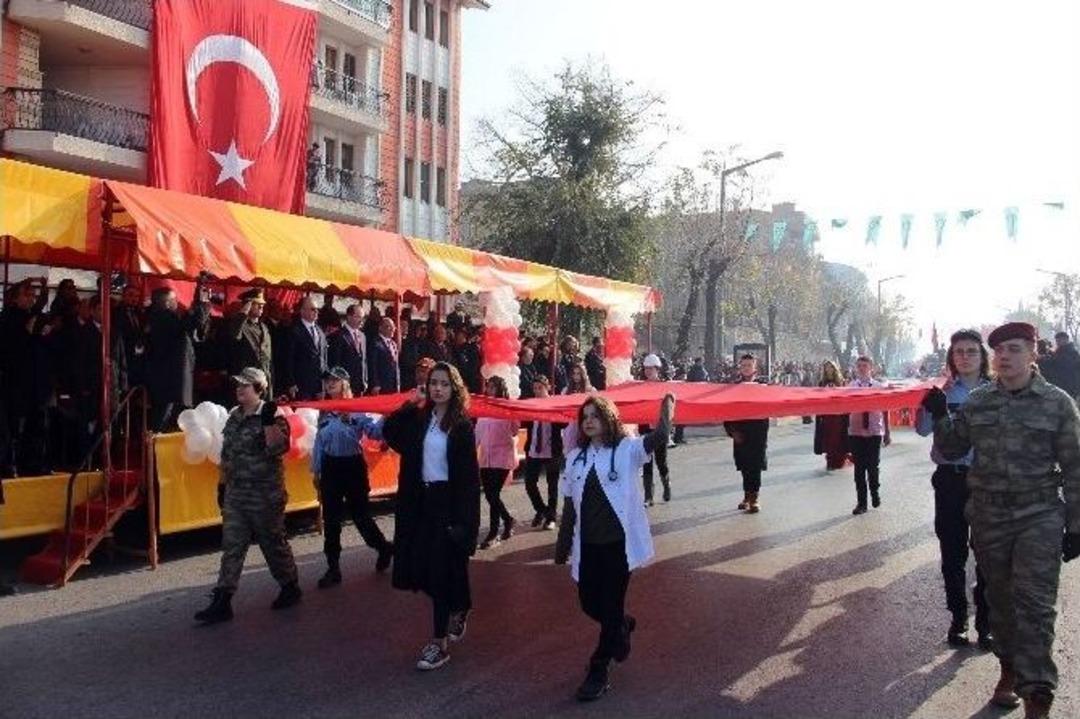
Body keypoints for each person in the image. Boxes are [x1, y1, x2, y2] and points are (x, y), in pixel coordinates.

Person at [922, 322, 1080, 718]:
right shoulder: (978, 401)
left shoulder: (1058, 403)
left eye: (1014, 349)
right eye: (1000, 350)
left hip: (1038, 513)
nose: (1005, 356)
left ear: (1032, 353)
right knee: (1001, 603)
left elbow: (1075, 466)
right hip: (989, 515)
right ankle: (1008, 670)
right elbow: (952, 445)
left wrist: (1077, 524)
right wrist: (940, 415)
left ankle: (1038, 697)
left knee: (1036, 606)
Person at [554, 393, 675, 702]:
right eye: (585, 417)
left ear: (608, 418)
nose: (589, 421)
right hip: (588, 546)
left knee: (609, 605)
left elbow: (659, 436)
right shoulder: (575, 458)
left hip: (618, 547)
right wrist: (562, 545)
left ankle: (599, 668)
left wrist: (667, 407)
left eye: (595, 415)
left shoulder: (626, 450)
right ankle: (621, 624)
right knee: (588, 603)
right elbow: (569, 505)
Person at [381, 362, 481, 671]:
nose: (437, 388)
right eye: (432, 383)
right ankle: (459, 606)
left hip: (447, 503)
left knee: (441, 573)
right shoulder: (419, 419)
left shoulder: (461, 426)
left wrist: (465, 523)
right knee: (419, 568)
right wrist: (408, 404)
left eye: (443, 384)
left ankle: (439, 643)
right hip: (418, 502)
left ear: (455, 389)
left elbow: (468, 479)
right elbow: (390, 433)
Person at [194, 368, 300, 624]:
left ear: (259, 389)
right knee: (232, 545)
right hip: (237, 493)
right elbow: (227, 455)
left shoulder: (272, 414)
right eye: (238, 385)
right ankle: (223, 599)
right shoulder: (234, 417)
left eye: (246, 386)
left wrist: (267, 423)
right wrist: (222, 485)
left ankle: (289, 585)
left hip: (265, 493)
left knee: (272, 542)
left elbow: (278, 448)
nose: (240, 389)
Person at [915, 329, 991, 649]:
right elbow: (921, 430)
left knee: (988, 555)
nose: (965, 356)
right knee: (953, 553)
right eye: (959, 351)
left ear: (982, 356)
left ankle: (986, 622)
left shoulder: (997, 391)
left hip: (989, 482)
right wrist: (933, 408)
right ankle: (958, 617)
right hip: (950, 480)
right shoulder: (941, 392)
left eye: (971, 351)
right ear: (951, 357)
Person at [311, 367, 393, 587]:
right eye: (327, 381)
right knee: (332, 520)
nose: (329, 384)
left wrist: (385, 417)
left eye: (334, 380)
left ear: (345, 383)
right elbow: (319, 442)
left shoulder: (357, 409)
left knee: (361, 516)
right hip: (331, 467)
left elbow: (374, 434)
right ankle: (333, 567)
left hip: (352, 466)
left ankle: (383, 548)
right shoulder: (324, 411)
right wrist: (316, 470)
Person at [143, 284, 211, 432]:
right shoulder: (163, 317)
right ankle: (154, 449)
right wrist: (201, 304)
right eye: (175, 300)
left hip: (166, 380)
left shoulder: (155, 316)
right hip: (167, 381)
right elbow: (191, 324)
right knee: (162, 419)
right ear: (167, 303)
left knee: (166, 417)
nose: (177, 303)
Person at [474, 376, 519, 549]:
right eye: (489, 386)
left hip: (502, 457)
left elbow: (515, 430)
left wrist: (510, 415)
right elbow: (478, 432)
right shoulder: (484, 408)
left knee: (493, 494)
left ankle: (493, 532)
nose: (490, 389)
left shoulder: (506, 407)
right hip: (486, 458)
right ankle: (508, 520)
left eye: (493, 387)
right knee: (490, 494)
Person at [724, 354, 769, 513]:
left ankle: (754, 498)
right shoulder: (733, 387)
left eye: (749, 365)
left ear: (754, 368)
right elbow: (726, 411)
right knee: (744, 465)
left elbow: (769, 408)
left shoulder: (763, 386)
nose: (746, 368)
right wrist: (732, 431)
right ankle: (746, 495)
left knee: (755, 466)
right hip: (740, 433)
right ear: (740, 367)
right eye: (743, 365)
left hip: (758, 433)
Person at [847, 355, 891, 515]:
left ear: (871, 368)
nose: (862, 368)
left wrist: (887, 432)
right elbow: (844, 409)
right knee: (859, 469)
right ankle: (861, 503)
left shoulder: (879, 387)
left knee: (873, 467)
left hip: (874, 431)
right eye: (859, 366)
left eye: (865, 366)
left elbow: (886, 410)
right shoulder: (850, 387)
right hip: (856, 432)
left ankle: (875, 490)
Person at [524, 375, 563, 530]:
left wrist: (554, 414)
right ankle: (542, 510)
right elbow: (525, 422)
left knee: (552, 485)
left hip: (551, 450)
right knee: (529, 483)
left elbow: (564, 424)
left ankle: (551, 518)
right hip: (534, 449)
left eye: (540, 388)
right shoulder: (531, 404)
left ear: (547, 387)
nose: (537, 391)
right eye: (535, 388)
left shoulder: (554, 403)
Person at [227, 289, 274, 398]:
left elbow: (269, 361)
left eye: (262, 304)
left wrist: (271, 384)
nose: (261, 307)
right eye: (257, 304)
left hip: (264, 383)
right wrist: (243, 313)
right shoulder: (240, 325)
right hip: (247, 383)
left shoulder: (264, 328)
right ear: (248, 305)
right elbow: (233, 335)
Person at [639, 354, 671, 505]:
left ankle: (666, 484)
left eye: (651, 369)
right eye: (646, 369)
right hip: (645, 428)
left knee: (661, 461)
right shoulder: (639, 387)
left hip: (660, 429)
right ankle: (648, 495)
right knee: (646, 461)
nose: (648, 371)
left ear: (657, 369)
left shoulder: (665, 387)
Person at [283, 296, 328, 401]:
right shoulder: (293, 331)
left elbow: (323, 357)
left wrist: (325, 382)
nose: (316, 312)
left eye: (317, 309)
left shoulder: (320, 331)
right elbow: (288, 359)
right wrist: (291, 383)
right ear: (302, 310)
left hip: (319, 385)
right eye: (313, 309)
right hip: (301, 385)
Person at [813, 360, 850, 470]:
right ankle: (830, 459)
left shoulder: (841, 382)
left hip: (839, 415)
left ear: (835, 369)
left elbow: (845, 397)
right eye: (826, 368)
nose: (829, 370)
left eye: (831, 367)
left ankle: (840, 459)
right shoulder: (821, 383)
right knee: (828, 437)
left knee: (838, 436)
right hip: (827, 415)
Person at [327, 303, 367, 397]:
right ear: (349, 317)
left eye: (362, 317)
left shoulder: (362, 336)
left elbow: (364, 360)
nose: (361, 320)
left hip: (359, 385)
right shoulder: (339, 335)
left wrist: (365, 380)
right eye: (358, 317)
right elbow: (335, 361)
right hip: (344, 385)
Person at [368, 317, 400, 395]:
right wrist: (375, 384)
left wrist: (398, 383)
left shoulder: (393, 344)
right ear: (380, 328)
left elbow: (395, 365)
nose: (392, 329)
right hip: (381, 385)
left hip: (392, 385)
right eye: (388, 327)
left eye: (393, 327)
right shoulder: (375, 343)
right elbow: (372, 365)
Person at [451, 327, 482, 394]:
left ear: (464, 336)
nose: (456, 338)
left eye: (458, 336)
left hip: (471, 377)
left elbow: (476, 362)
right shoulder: (454, 349)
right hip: (460, 377)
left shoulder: (472, 348)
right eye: (455, 336)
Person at [1049, 331, 1080, 399]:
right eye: (1057, 340)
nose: (1057, 342)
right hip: (1060, 386)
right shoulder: (1059, 352)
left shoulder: (1072, 352)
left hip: (1069, 387)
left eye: (1059, 340)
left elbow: (1065, 364)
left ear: (1066, 339)